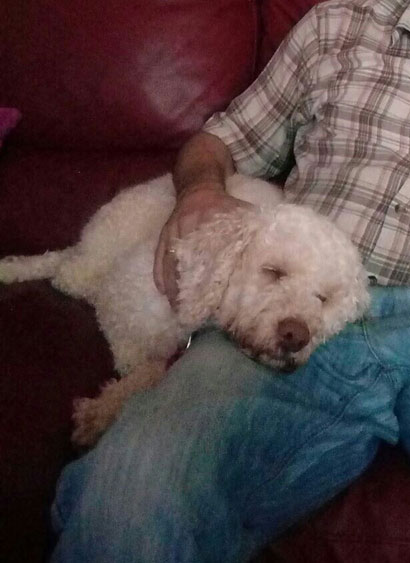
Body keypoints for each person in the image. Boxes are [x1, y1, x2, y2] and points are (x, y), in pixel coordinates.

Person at [51, 0, 410, 560]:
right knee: (128, 492)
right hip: (298, 298)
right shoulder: (340, 24)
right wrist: (200, 190)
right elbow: (221, 142)